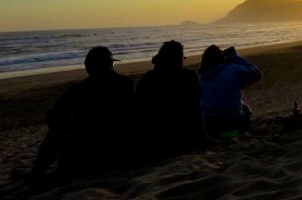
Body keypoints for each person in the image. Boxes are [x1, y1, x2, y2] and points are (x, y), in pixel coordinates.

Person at [32, 46, 134, 175]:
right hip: (122, 143)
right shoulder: (125, 83)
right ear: (110, 64)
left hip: (92, 145)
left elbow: (55, 117)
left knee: (58, 129)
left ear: (89, 67)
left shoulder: (77, 90)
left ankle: (38, 170)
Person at [134, 41, 205, 158]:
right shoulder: (189, 76)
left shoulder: (148, 79)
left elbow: (139, 109)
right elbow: (195, 107)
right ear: (178, 58)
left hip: (156, 140)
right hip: (187, 136)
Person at [198, 45, 262, 137]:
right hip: (232, 123)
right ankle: (242, 133)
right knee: (245, 109)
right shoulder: (232, 69)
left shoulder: (202, 79)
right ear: (221, 58)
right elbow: (256, 73)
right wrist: (235, 57)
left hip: (211, 126)